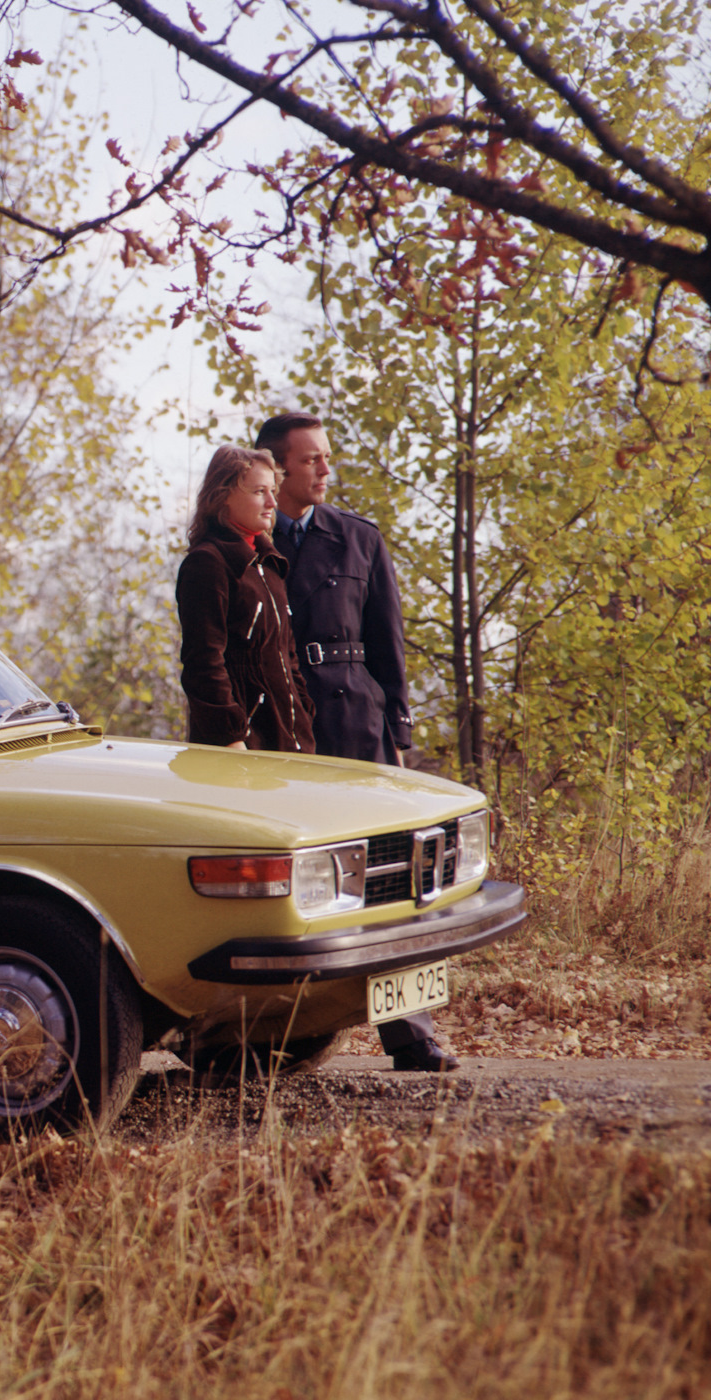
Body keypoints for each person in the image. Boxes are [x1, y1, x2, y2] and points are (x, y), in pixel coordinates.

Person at [255, 411, 459, 1073]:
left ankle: (412, 1035)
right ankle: (268, 1035)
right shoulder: (242, 542)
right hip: (279, 735)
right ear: (278, 466)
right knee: (289, 888)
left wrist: (397, 737)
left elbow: (388, 647)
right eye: (310, 459)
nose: (323, 469)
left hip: (356, 727)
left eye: (326, 458)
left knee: (390, 885)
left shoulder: (357, 538)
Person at [175, 445, 315, 754]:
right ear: (223, 495)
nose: (271, 502)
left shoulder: (270, 564)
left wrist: (304, 716)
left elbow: (288, 659)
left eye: (272, 491)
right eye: (259, 492)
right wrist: (230, 738)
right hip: (241, 749)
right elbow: (204, 663)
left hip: (292, 743)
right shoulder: (207, 563)